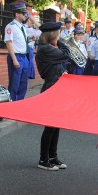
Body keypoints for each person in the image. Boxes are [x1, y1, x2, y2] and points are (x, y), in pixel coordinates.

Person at [34, 22, 71, 170]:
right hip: (50, 88)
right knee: (50, 126)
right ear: (52, 36)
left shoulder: (49, 49)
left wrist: (62, 73)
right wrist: (59, 41)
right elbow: (66, 54)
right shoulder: (45, 49)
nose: (59, 37)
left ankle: (53, 157)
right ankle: (43, 159)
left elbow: (57, 66)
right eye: (57, 34)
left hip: (57, 87)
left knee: (56, 125)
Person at [4, 3, 32, 101]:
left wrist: (31, 39)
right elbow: (9, 43)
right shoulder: (10, 26)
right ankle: (12, 103)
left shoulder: (22, 27)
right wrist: (14, 60)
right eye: (23, 13)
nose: (25, 15)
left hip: (24, 57)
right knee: (14, 83)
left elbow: (22, 41)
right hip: (16, 56)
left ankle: (20, 102)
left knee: (23, 82)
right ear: (17, 14)